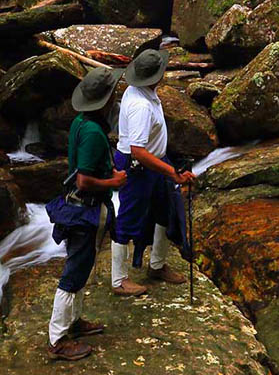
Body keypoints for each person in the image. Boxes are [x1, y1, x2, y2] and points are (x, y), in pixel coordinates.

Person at [45, 66, 128, 361]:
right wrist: (114, 181)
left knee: (81, 268)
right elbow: (83, 180)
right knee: (74, 272)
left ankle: (74, 322)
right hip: (85, 211)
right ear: (104, 101)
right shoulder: (93, 132)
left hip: (79, 208)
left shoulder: (81, 122)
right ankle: (58, 338)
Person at [111, 48, 196, 296]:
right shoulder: (140, 106)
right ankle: (119, 280)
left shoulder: (142, 92)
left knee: (165, 211)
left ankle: (156, 265)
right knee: (128, 218)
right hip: (139, 167)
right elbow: (137, 151)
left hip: (156, 161)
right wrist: (171, 172)